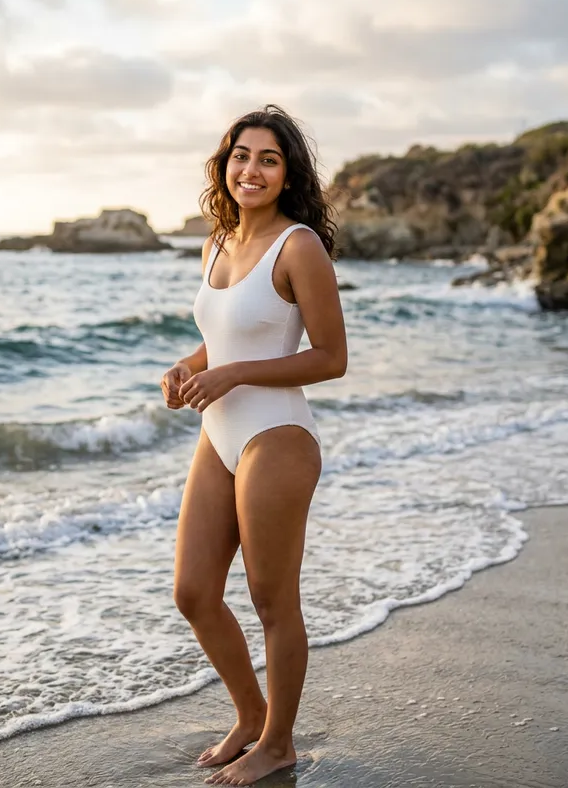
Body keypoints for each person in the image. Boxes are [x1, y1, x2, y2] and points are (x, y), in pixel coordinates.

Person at [160, 104, 348, 786]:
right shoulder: (216, 240)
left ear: (288, 172)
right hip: (219, 433)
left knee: (273, 601)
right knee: (193, 592)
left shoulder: (300, 246)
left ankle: (279, 744)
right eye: (242, 155)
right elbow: (231, 334)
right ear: (225, 162)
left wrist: (233, 373)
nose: (252, 169)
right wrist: (191, 365)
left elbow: (330, 357)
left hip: (278, 436)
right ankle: (249, 714)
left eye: (269, 159)